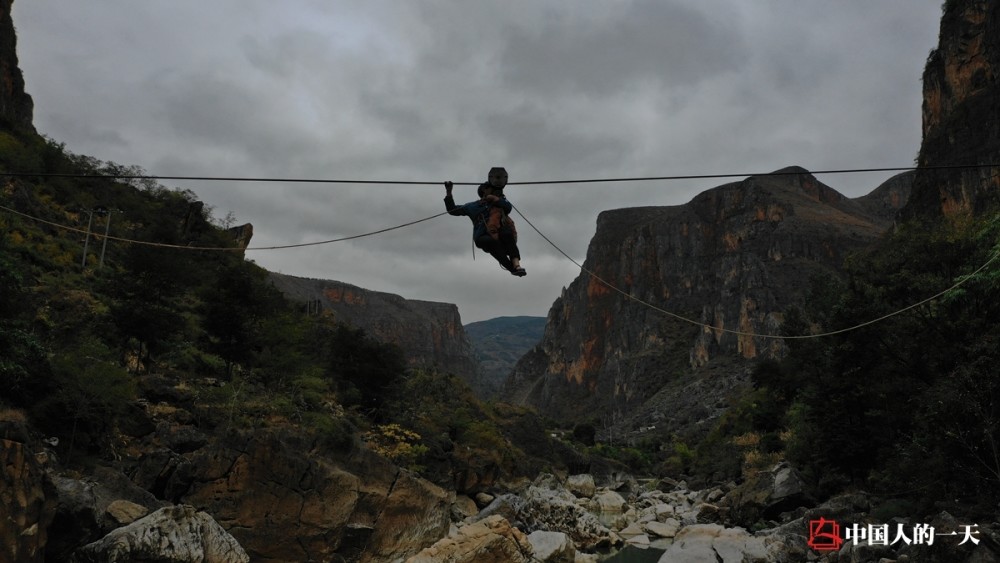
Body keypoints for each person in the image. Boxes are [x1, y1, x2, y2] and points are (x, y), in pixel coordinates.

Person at [444, 167, 526, 276]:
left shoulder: (498, 202)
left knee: (506, 232)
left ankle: (516, 264)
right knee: (488, 241)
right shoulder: (472, 206)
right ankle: (512, 268)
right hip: (482, 236)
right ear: (484, 191)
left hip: (499, 235)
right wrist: (449, 192)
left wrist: (496, 199)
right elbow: (452, 210)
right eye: (490, 189)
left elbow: (508, 207)